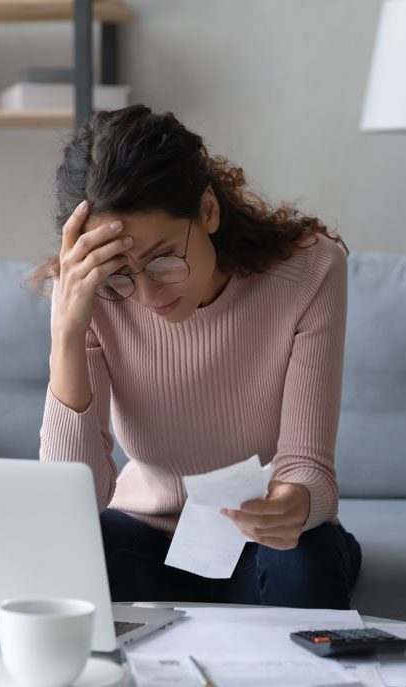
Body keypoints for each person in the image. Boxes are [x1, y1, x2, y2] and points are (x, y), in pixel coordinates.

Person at [33, 104, 362, 609]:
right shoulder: (93, 297)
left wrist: (295, 503)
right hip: (148, 539)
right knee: (71, 560)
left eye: (163, 259)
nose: (145, 295)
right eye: (120, 274)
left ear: (207, 210)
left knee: (304, 564)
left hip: (267, 542)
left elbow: (309, 467)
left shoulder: (310, 271)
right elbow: (71, 505)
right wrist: (67, 332)